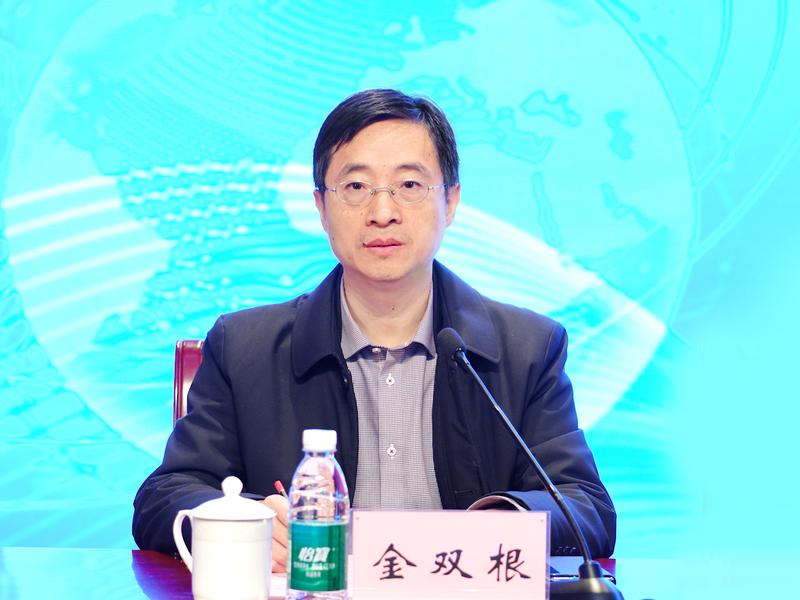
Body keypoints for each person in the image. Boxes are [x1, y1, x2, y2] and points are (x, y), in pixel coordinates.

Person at [133, 88, 616, 570]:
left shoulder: (526, 348)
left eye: (409, 185)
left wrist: (501, 526)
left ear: (450, 202)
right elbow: (164, 497)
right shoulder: (245, 349)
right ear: (321, 208)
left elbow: (587, 508)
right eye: (356, 187)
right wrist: (246, 523)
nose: (383, 212)